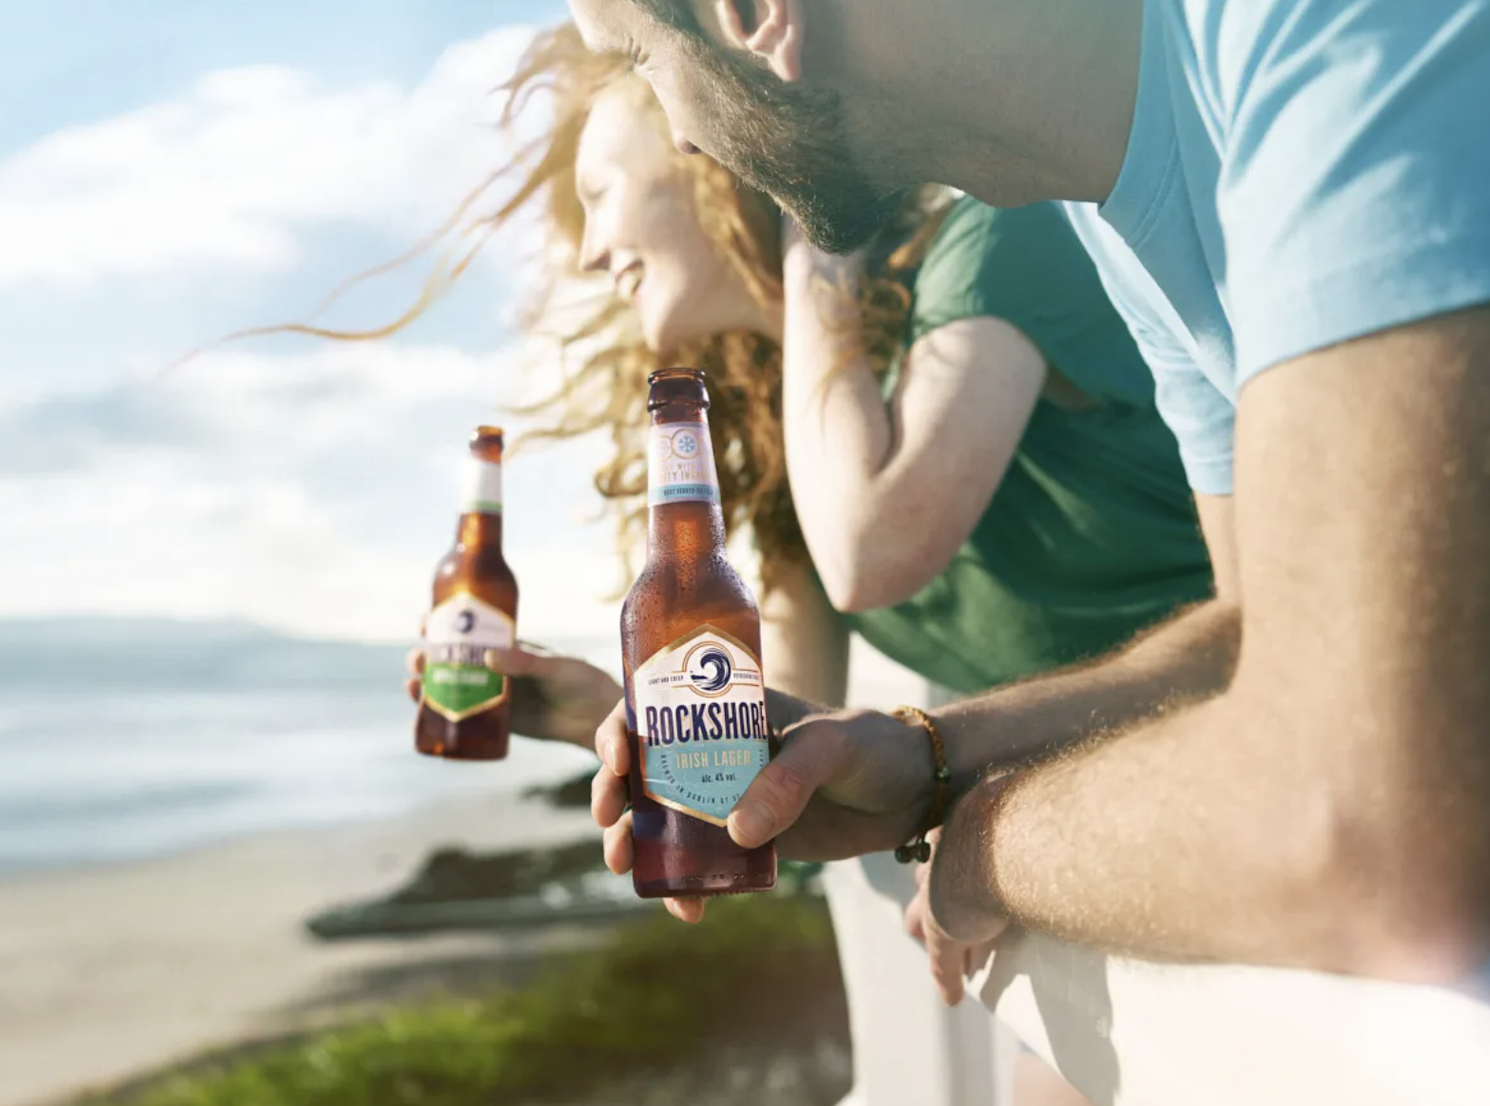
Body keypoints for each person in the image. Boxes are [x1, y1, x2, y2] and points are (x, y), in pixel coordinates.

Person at [338, 26, 1208, 1103]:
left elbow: (875, 543)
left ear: (708, 155)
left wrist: (809, 219)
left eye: (601, 190)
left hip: (1237, 741)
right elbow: (782, 763)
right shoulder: (791, 429)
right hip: (1117, 786)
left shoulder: (990, 242)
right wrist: (587, 710)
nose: (588, 252)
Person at [561, 0, 1490, 995]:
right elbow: (1249, 624)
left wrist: (980, 843)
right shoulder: (1105, 202)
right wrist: (932, 760)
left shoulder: (1327, 24)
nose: (689, 133)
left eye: (641, 59)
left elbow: (1364, 818)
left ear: (752, 14)